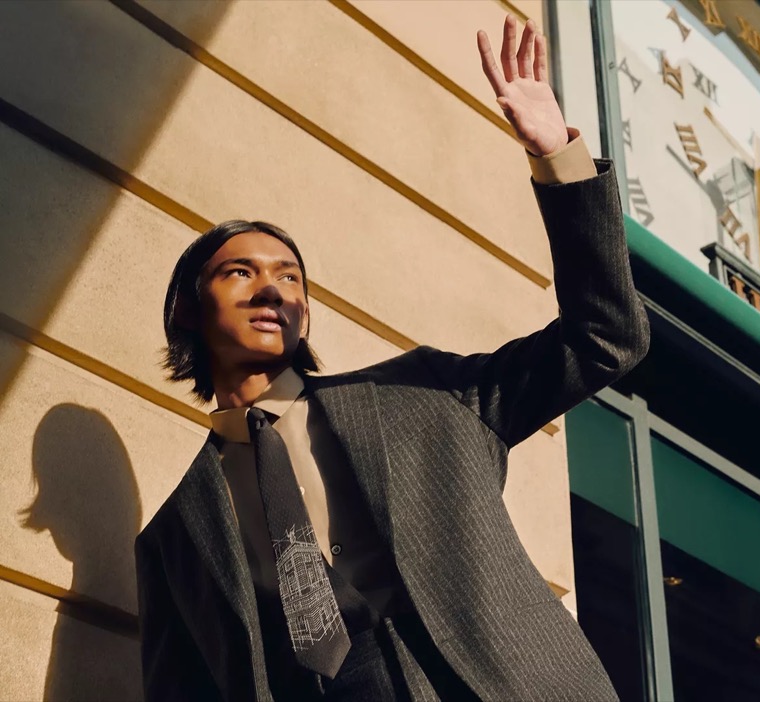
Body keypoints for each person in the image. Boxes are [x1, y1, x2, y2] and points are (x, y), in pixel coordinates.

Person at [134, 14, 649, 702]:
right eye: (239, 273)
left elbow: (606, 338)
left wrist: (559, 160)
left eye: (290, 276)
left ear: (306, 312)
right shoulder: (174, 536)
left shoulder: (424, 391)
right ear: (188, 313)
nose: (271, 289)